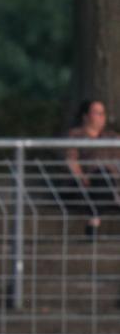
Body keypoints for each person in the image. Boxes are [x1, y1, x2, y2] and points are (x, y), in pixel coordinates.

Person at [65, 100, 120, 236]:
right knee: (102, 175)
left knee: (106, 176)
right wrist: (81, 177)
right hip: (88, 183)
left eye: (103, 113)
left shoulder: (112, 137)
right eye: (97, 113)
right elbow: (71, 160)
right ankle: (111, 200)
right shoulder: (76, 136)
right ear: (85, 116)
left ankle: (94, 220)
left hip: (112, 183)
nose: (102, 117)